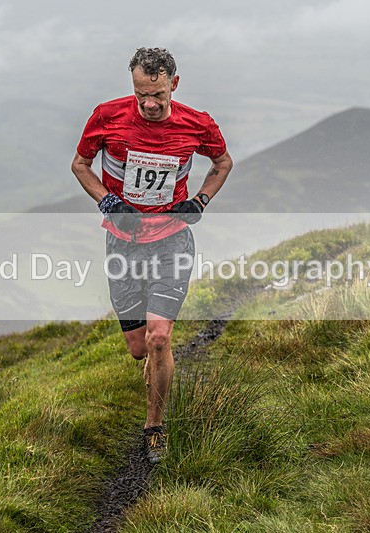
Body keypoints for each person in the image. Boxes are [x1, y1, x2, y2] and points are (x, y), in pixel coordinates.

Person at [71, 47, 233, 463]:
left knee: (161, 338)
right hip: (122, 242)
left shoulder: (197, 124)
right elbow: (80, 165)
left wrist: (200, 201)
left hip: (172, 239)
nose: (149, 104)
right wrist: (107, 202)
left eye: (158, 94)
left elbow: (222, 162)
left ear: (173, 85)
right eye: (141, 93)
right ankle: (153, 374)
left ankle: (154, 427)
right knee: (139, 347)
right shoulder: (107, 116)